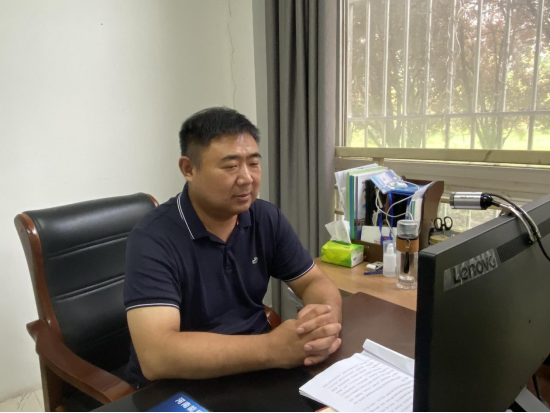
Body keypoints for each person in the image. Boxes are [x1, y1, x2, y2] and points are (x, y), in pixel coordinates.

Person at [124, 107, 342, 389]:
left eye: (253, 163)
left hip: (256, 369)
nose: (247, 178)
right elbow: (157, 356)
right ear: (189, 169)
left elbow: (312, 281)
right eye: (230, 166)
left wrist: (325, 324)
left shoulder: (265, 217)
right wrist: (273, 348)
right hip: (180, 385)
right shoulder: (153, 238)